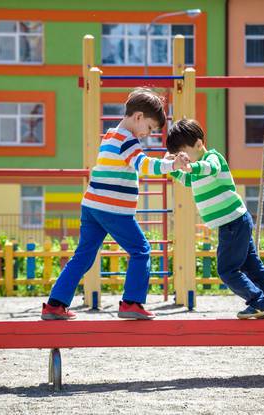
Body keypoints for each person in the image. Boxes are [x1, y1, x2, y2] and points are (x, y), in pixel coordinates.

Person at [41, 88, 190, 321]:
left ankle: (55, 305)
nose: (147, 135)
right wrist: (171, 166)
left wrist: (163, 161)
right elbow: (143, 165)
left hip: (91, 205)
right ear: (138, 117)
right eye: (149, 129)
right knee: (141, 251)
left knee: (83, 256)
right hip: (113, 210)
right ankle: (132, 302)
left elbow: (134, 163)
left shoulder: (111, 135)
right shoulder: (128, 141)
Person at [166, 119, 264, 319]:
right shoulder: (196, 169)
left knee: (226, 270)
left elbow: (210, 168)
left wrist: (191, 167)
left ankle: (258, 302)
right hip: (235, 222)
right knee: (253, 267)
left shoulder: (213, 159)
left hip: (233, 223)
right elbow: (188, 180)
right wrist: (173, 168)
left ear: (198, 144)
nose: (183, 159)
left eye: (183, 153)